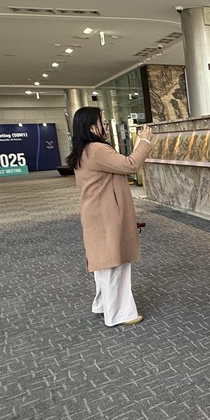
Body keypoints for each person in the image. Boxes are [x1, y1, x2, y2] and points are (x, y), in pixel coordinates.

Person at [66, 106, 153, 326]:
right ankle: (120, 313)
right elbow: (130, 165)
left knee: (105, 265)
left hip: (98, 214)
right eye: (102, 122)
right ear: (91, 127)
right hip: (107, 216)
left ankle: (104, 305)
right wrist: (144, 141)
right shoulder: (97, 149)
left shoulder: (84, 150)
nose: (105, 126)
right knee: (115, 263)